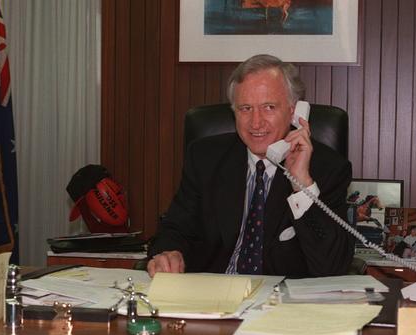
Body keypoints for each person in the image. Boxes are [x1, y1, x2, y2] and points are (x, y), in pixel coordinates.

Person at [147, 54, 354, 278]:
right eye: (245, 108)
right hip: (212, 298)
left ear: (294, 112)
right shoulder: (205, 158)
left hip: (281, 305)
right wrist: (169, 253)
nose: (256, 123)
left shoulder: (327, 168)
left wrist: (301, 185)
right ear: (233, 111)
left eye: (269, 107)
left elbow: (333, 266)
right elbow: (175, 228)